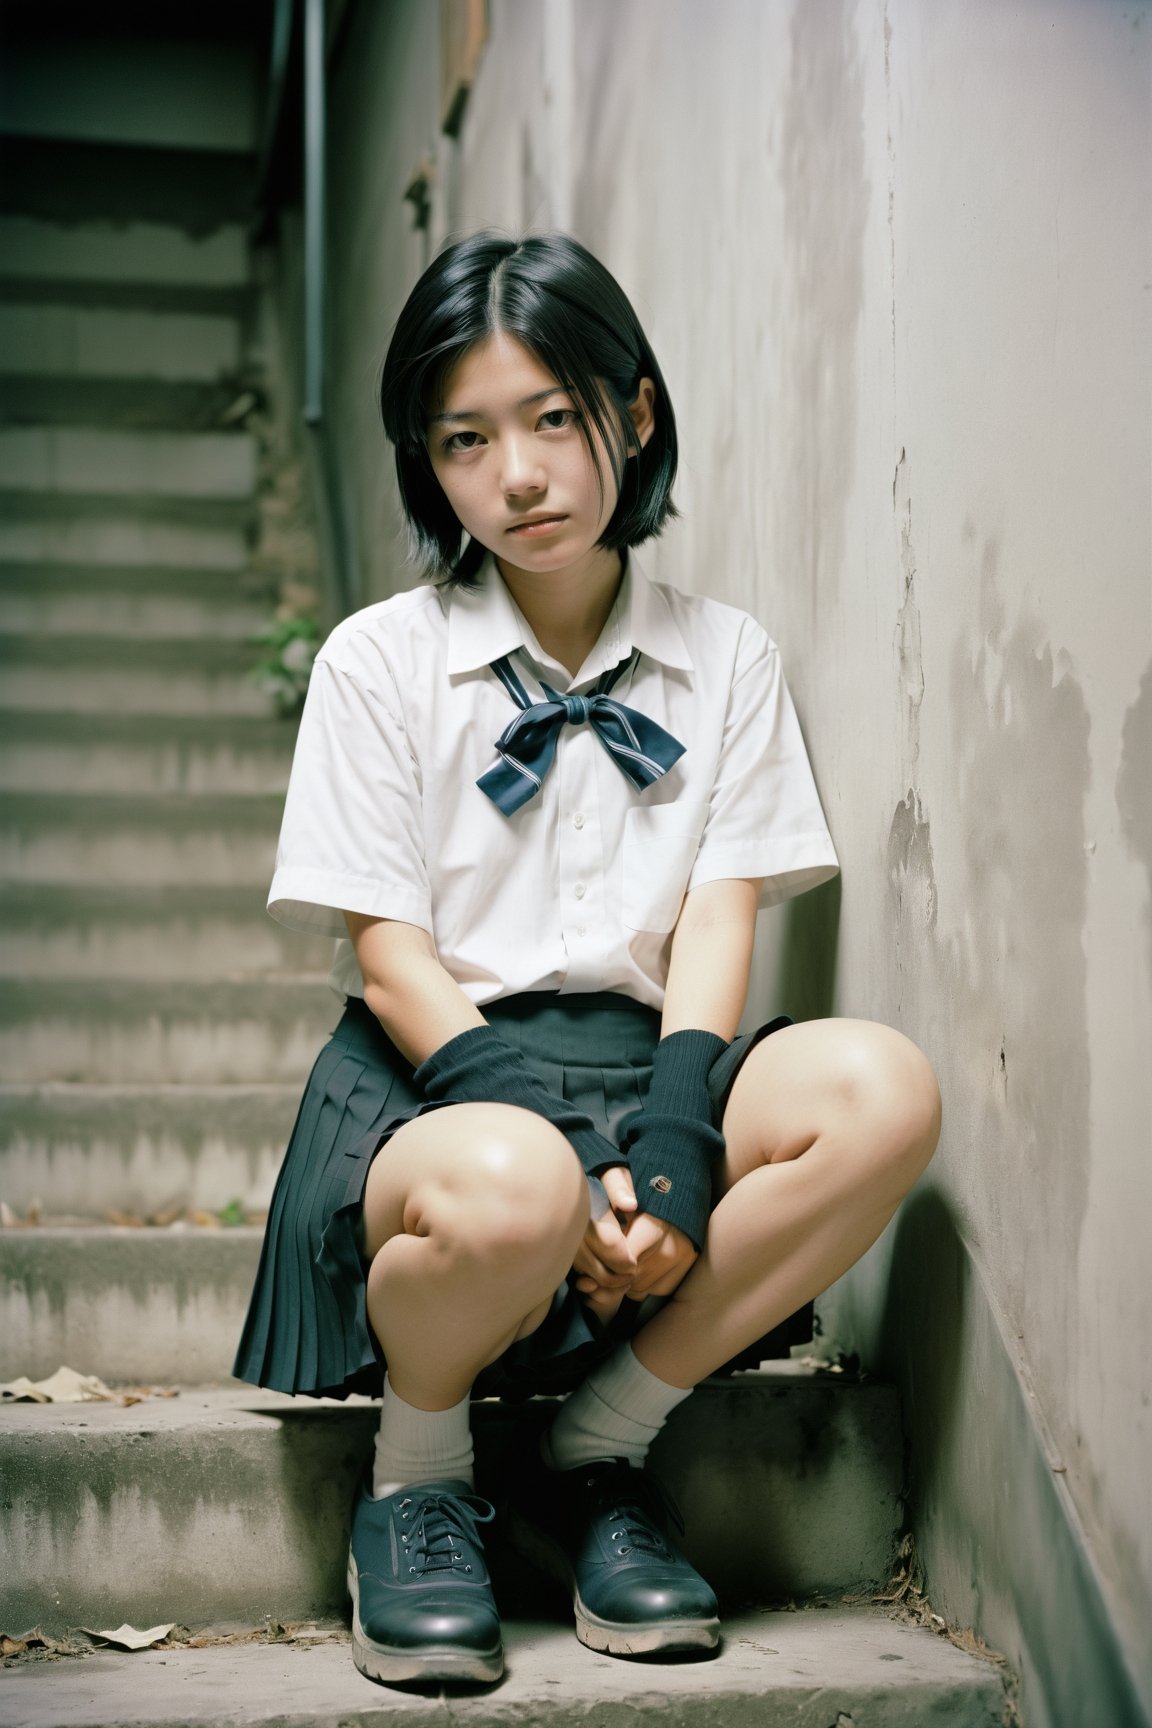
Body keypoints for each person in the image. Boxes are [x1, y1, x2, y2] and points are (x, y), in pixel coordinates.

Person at [233, 231, 941, 1689]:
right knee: (515, 1182)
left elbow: (718, 922)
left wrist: (673, 1145)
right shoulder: (376, 662)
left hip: (650, 1062)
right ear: (428, 466)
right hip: (446, 1087)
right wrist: (565, 1159)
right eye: (466, 439)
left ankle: (598, 1447)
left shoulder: (727, 656)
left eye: (554, 418)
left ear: (633, 414)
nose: (521, 475)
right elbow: (389, 959)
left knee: (884, 1092)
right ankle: (418, 1482)